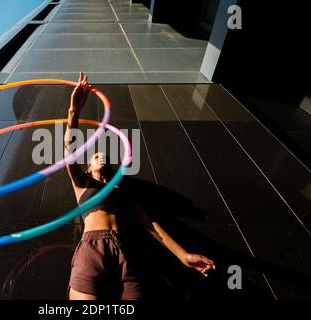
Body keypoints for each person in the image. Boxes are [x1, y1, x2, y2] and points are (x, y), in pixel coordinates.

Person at [65, 72, 216, 300]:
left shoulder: (123, 194)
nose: (102, 156)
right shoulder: (83, 183)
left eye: (105, 155)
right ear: (87, 168)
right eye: (96, 156)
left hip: (128, 250)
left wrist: (184, 256)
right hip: (93, 247)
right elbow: (70, 147)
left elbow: (151, 226)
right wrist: (74, 111)